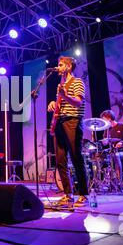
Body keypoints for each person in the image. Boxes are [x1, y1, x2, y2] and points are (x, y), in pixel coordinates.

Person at [47, 56, 88, 208]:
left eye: (61, 64)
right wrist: (53, 102)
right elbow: (61, 102)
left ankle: (84, 194)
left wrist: (64, 96)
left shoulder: (77, 82)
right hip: (60, 122)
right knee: (60, 160)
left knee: (76, 157)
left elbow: (78, 101)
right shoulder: (61, 84)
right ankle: (67, 194)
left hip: (72, 120)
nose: (57, 67)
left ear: (69, 66)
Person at [100, 110, 123, 189]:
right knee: (101, 157)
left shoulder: (122, 125)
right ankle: (107, 182)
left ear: (109, 118)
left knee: (116, 155)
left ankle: (120, 182)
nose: (103, 121)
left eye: (104, 119)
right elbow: (105, 143)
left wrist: (122, 143)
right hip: (112, 151)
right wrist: (104, 142)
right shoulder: (107, 130)